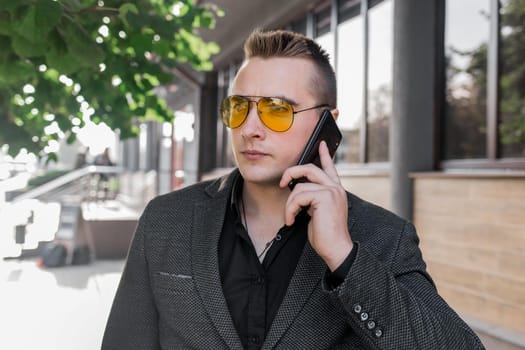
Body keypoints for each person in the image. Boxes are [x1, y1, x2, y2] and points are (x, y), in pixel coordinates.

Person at [102, 29, 484, 349]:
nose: (250, 128)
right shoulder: (166, 219)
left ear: (327, 123)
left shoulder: (383, 236)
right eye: (239, 108)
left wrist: (345, 257)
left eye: (277, 109)